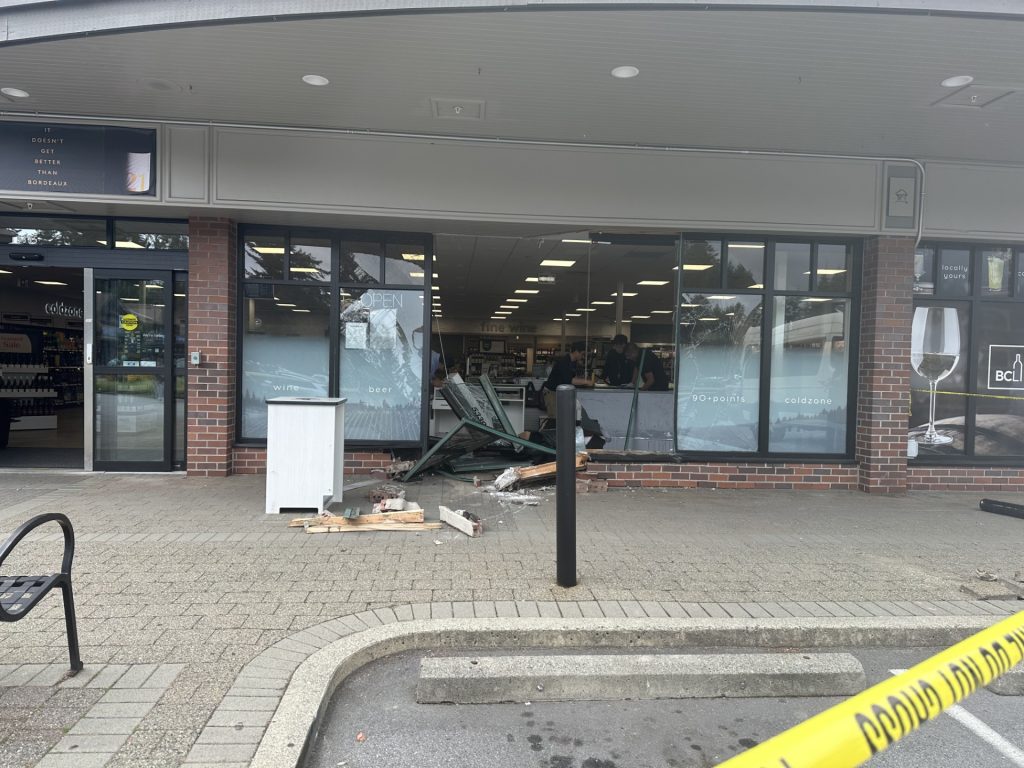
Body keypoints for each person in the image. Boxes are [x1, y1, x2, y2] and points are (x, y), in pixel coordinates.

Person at [541, 340, 593, 418]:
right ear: (576, 351)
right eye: (582, 354)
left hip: (559, 393)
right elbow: (569, 380)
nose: (583, 357)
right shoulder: (564, 362)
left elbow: (572, 378)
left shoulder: (573, 362)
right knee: (555, 420)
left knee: (561, 419)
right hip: (551, 393)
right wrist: (587, 382)